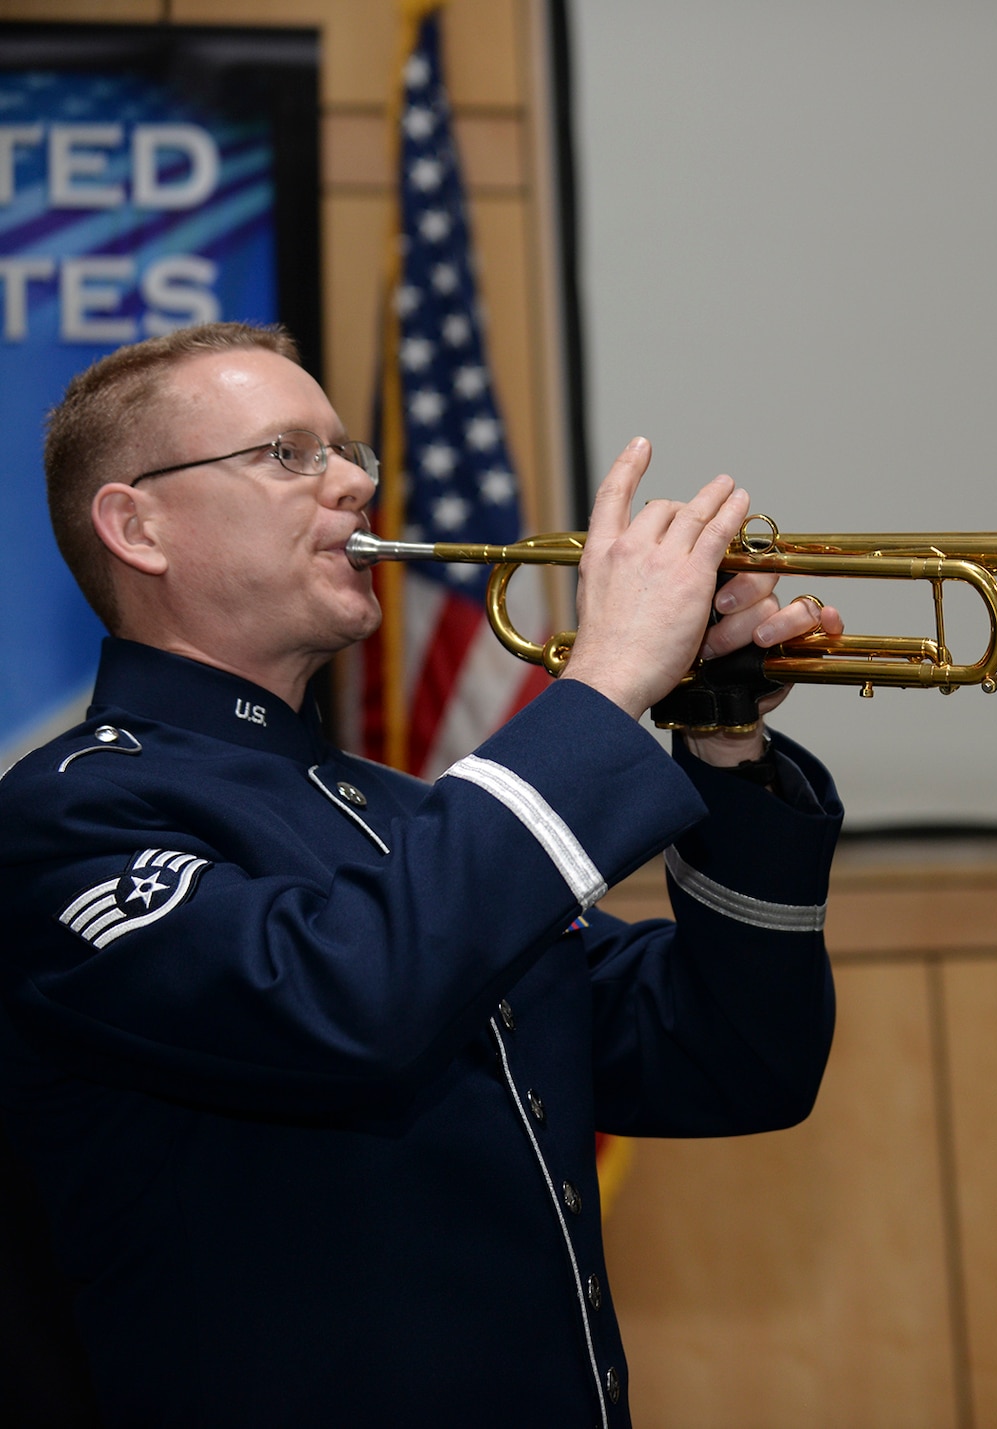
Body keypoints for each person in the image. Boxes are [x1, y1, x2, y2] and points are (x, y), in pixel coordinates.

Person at [0, 322, 846, 1427]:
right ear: (137, 525)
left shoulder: (405, 815)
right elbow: (350, 1000)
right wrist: (600, 686)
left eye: (350, 452)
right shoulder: (65, 811)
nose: (354, 482)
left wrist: (724, 738)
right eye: (287, 454)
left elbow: (734, 1062)